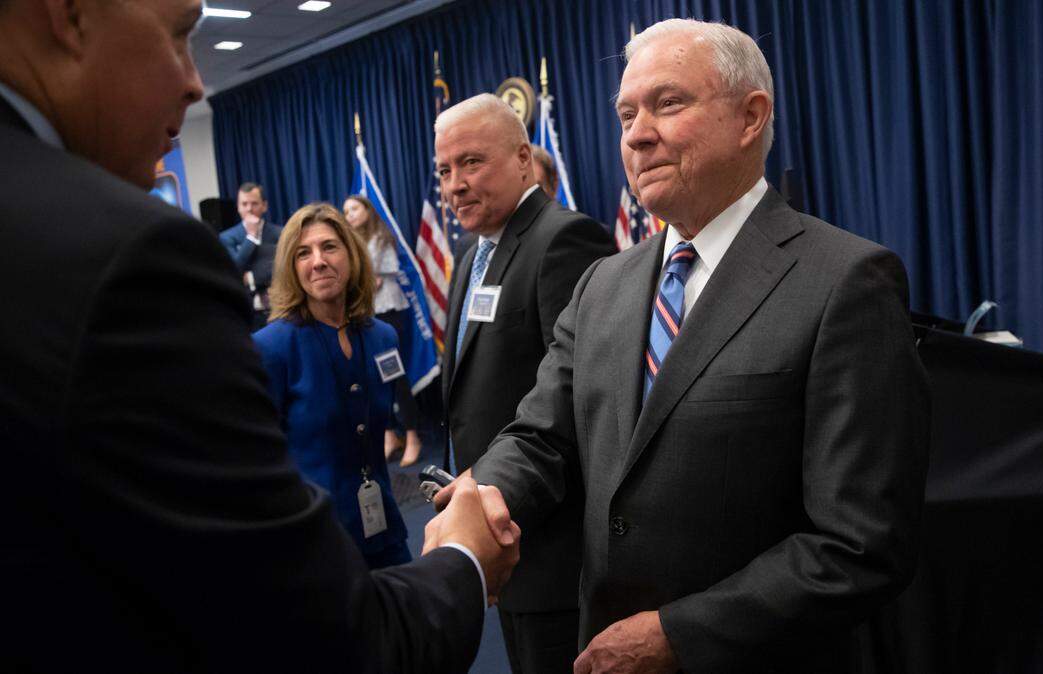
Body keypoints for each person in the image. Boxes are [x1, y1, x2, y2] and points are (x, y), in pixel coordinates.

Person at [0, 0, 517, 671]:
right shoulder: (132, 258)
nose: (194, 83)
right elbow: (324, 640)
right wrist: (465, 557)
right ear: (66, 15)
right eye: (180, 35)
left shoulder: (372, 335)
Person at [439, 19, 931, 673]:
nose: (637, 134)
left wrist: (681, 635)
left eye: (668, 104)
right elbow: (540, 438)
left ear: (750, 117)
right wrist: (482, 500)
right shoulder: (601, 284)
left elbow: (863, 543)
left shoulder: (846, 282)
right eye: (625, 114)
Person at [435, 93, 616, 673]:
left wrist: (492, 485)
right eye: (444, 170)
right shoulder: (472, 255)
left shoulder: (564, 239)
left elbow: (578, 399)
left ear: (521, 159)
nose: (455, 184)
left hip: (550, 543)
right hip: (497, 532)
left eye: (471, 162)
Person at [253, 203, 415, 568]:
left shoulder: (383, 337)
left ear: (351, 254)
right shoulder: (272, 347)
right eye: (303, 253)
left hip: (385, 531)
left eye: (329, 246)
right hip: (314, 545)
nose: (318, 261)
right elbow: (258, 460)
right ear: (291, 268)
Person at [343, 194, 424, 466]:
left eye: (354, 209)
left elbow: (383, 273)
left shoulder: (380, 237)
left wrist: (363, 277)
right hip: (362, 315)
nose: (349, 215)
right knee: (372, 378)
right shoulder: (348, 243)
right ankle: (390, 434)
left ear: (367, 210)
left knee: (395, 375)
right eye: (346, 211)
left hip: (388, 314)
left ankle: (412, 435)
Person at [219, 182, 282, 328]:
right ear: (238, 207)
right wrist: (251, 237)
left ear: (264, 206)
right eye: (244, 204)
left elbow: (281, 268)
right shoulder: (227, 237)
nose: (249, 208)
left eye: (254, 203)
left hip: (278, 310)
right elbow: (233, 271)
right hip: (245, 314)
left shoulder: (280, 233)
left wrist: (251, 277)